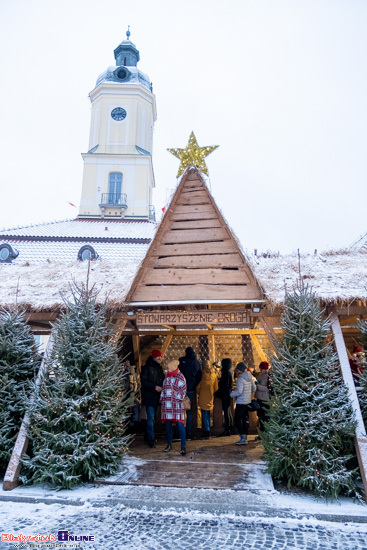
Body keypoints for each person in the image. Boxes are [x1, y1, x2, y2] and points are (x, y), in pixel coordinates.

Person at [160, 359, 187, 455]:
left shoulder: (181, 378)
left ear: (173, 368)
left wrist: (176, 394)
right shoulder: (166, 378)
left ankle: (183, 446)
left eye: (168, 368)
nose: (167, 370)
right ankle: (169, 444)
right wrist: (162, 400)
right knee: (168, 425)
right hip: (167, 405)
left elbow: (183, 393)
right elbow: (163, 390)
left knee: (180, 425)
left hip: (177, 405)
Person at [140, 349, 165, 448]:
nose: (160, 358)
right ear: (154, 357)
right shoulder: (147, 368)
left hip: (156, 397)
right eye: (158, 356)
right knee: (150, 417)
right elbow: (144, 381)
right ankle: (151, 438)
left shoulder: (159, 368)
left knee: (153, 417)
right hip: (150, 396)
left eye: (160, 356)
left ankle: (147, 434)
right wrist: (154, 387)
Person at [178, 346, 202, 439]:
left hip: (181, 388)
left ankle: (180, 431)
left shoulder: (182, 361)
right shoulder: (197, 363)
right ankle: (188, 432)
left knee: (180, 410)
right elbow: (199, 376)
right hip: (191, 389)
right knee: (189, 411)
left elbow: (178, 373)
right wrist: (194, 386)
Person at [230, 362, 256, 445]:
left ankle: (242, 437)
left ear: (239, 370)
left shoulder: (240, 379)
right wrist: (248, 394)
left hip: (241, 402)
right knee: (245, 420)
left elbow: (239, 392)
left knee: (237, 420)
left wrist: (231, 394)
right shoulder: (250, 377)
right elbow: (254, 389)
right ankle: (245, 437)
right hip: (247, 402)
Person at [196, 360, 219, 439]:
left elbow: (198, 387)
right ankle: (208, 429)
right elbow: (216, 388)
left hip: (202, 397)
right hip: (210, 397)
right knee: (208, 414)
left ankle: (207, 430)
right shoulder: (214, 376)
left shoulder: (201, 376)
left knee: (204, 414)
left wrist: (199, 392)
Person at [215, 358, 234, 436]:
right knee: (228, 411)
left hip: (225, 394)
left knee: (226, 412)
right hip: (227, 394)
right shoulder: (228, 372)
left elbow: (224, 385)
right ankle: (230, 428)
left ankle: (228, 429)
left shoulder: (225, 373)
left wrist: (218, 392)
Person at [255, 361, 271, 433]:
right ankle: (261, 432)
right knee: (260, 416)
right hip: (259, 398)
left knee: (265, 416)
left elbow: (268, 388)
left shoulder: (269, 377)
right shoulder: (260, 375)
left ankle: (265, 432)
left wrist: (259, 387)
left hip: (265, 398)